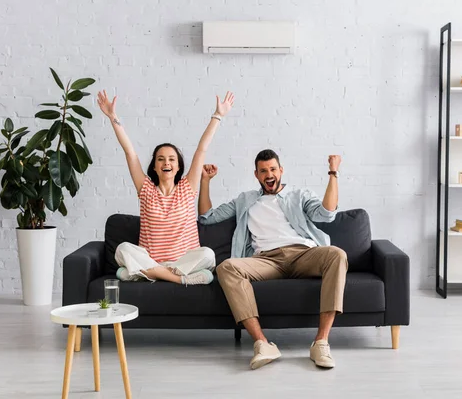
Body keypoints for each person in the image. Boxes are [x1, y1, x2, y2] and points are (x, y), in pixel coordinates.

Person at [198, 149, 347, 369]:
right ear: (257, 175)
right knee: (227, 267)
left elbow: (326, 213)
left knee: (337, 254)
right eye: (264, 171)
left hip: (302, 253)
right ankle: (262, 343)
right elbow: (207, 217)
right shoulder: (245, 200)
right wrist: (205, 181)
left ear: (281, 171)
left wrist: (333, 172)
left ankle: (321, 342)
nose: (269, 174)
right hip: (266, 260)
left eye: (273, 169)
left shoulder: (299, 195)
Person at [97, 89, 235, 285]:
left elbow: (201, 148)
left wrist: (218, 115)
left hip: (182, 262)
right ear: (155, 166)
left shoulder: (187, 188)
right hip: (152, 260)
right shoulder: (146, 189)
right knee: (122, 250)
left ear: (178, 166)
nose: (166, 162)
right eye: (160, 159)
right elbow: (130, 153)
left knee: (208, 254)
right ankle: (175, 279)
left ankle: (145, 274)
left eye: (171, 159)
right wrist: (113, 117)